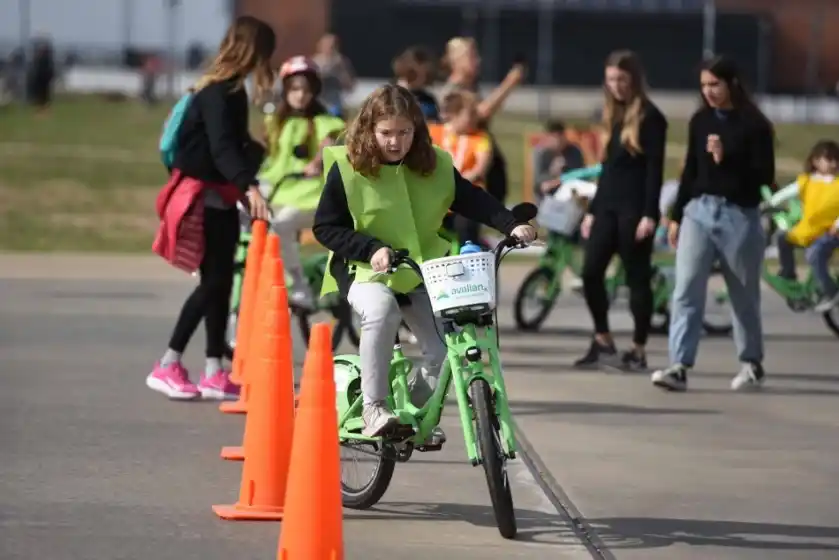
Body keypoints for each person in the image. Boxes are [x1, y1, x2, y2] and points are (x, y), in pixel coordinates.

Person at [312, 84, 536, 437]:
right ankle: (374, 408)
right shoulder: (348, 167)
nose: (395, 142)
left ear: (417, 131)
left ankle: (412, 415)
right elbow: (325, 227)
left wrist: (512, 224)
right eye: (386, 133)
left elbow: (473, 200)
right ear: (369, 129)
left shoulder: (436, 165)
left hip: (421, 271)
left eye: (404, 132)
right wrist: (371, 249)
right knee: (381, 312)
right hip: (364, 269)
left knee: (447, 351)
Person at [147, 16, 274, 401]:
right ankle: (168, 363)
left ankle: (214, 370)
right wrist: (249, 185)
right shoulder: (218, 92)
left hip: (220, 194)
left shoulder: (231, 91)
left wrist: (254, 154)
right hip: (203, 195)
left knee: (219, 284)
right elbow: (221, 149)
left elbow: (231, 147)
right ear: (253, 51)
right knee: (214, 281)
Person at [652, 55, 775, 393]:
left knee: (743, 295)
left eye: (714, 85)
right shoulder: (700, 121)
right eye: (704, 85)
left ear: (731, 84)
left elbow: (764, 176)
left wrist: (728, 157)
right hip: (699, 213)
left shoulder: (755, 124)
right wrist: (676, 216)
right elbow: (690, 171)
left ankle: (751, 363)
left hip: (739, 214)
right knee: (686, 288)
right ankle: (679, 366)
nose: (708, 91)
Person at [575, 50, 668, 372]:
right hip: (608, 208)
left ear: (634, 80)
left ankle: (638, 349)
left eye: (621, 79)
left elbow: (654, 170)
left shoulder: (651, 117)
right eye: (611, 79)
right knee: (590, 274)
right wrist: (592, 211)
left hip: (634, 211)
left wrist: (650, 214)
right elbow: (609, 169)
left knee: (636, 278)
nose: (615, 85)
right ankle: (603, 339)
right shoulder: (614, 114)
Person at [259, 56, 345, 308]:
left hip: (310, 194)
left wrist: (316, 163)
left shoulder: (323, 121)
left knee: (281, 226)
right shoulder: (275, 122)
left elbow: (327, 144)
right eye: (294, 89)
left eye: (306, 90)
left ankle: (299, 285)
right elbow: (267, 156)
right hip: (278, 189)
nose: (300, 95)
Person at [440, 37, 525, 205]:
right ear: (456, 61)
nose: (477, 61)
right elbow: (479, 114)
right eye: (471, 56)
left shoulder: (471, 86)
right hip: (466, 158)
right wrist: (509, 83)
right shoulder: (454, 89)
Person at [772, 140, 839, 312]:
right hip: (809, 229)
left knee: (814, 254)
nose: (834, 163)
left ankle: (830, 291)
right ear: (815, 161)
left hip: (831, 232)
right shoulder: (807, 181)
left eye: (836, 159)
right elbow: (788, 192)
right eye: (829, 159)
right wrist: (770, 203)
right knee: (783, 239)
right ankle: (788, 274)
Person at [429, 90, 494, 247]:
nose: (475, 119)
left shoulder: (480, 138)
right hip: (437, 199)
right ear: (453, 114)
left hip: (465, 199)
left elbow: (480, 169)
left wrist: (454, 182)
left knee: (466, 229)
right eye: (470, 114)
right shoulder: (433, 133)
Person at [534, 120, 586, 201]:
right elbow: (537, 182)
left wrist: (565, 172)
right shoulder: (541, 153)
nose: (557, 142)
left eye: (560, 137)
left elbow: (580, 174)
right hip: (548, 197)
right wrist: (552, 172)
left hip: (570, 195)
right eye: (554, 138)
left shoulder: (574, 151)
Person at [312, 33, 355, 119]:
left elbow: (350, 86)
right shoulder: (314, 62)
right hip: (318, 102)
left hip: (334, 103)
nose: (329, 48)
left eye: (332, 46)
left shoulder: (341, 62)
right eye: (326, 45)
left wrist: (340, 71)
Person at [393, 46, 440, 122]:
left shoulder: (429, 100)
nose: (423, 79)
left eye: (426, 75)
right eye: (418, 75)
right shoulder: (392, 96)